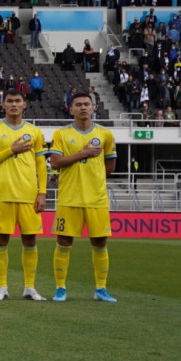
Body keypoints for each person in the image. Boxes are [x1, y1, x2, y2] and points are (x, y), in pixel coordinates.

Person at [0, 89, 48, 302]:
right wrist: (12, 149)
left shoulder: (35, 132)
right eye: (10, 101)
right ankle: (2, 287)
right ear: (3, 104)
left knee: (30, 240)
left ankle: (29, 287)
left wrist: (42, 193)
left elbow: (41, 166)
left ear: (24, 104)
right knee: (1, 239)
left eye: (18, 101)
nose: (14, 104)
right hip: (3, 194)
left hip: (28, 195)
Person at [48, 93, 118, 303]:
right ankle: (60, 288)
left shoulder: (105, 135)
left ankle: (101, 289)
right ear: (71, 109)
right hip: (69, 198)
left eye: (87, 104)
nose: (83, 107)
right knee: (63, 241)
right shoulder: (61, 134)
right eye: (78, 104)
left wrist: (92, 177)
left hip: (96, 198)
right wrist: (84, 153)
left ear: (94, 107)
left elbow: (110, 166)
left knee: (99, 242)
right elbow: (55, 163)